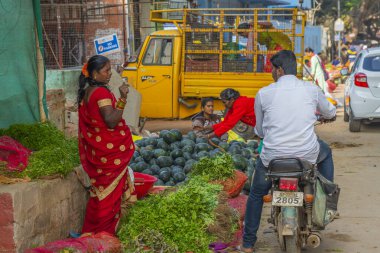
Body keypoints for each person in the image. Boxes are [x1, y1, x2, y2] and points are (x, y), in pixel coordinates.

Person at [240, 50, 336, 252]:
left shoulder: (264, 93)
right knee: (326, 152)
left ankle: (248, 244)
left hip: (272, 159)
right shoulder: (311, 89)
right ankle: (329, 199)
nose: (272, 73)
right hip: (305, 155)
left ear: (280, 70)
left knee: (257, 194)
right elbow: (330, 111)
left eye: (273, 69)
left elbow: (259, 130)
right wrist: (325, 116)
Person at [78, 55, 135, 235]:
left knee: (100, 194)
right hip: (108, 156)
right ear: (94, 74)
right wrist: (123, 98)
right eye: (106, 71)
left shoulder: (88, 92)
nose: (110, 74)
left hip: (100, 154)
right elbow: (111, 121)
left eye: (110, 69)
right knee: (107, 198)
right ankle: (103, 235)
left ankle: (92, 233)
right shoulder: (101, 93)